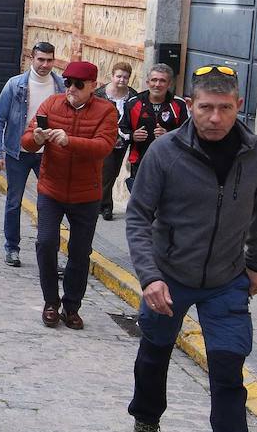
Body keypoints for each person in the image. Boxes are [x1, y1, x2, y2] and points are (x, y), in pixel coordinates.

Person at [125, 66, 257, 432]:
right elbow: (137, 218)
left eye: (224, 108)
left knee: (228, 376)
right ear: (191, 106)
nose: (214, 118)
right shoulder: (166, 152)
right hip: (169, 276)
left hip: (226, 281)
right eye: (206, 107)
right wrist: (150, 276)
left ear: (238, 108)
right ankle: (146, 417)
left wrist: (256, 262)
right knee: (155, 353)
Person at [21, 60, 117, 330]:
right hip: (51, 188)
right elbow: (26, 140)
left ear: (93, 86)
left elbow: (104, 147)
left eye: (78, 84)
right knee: (46, 243)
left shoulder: (106, 111)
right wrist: (37, 139)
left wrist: (69, 140)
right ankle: (51, 302)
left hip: (86, 194)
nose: (71, 88)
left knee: (79, 252)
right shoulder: (51, 104)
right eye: (68, 82)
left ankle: (72, 306)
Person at [0, 42, 64, 267]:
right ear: (31, 59)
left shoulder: (61, 85)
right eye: (40, 59)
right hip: (18, 153)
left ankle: (49, 253)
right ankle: (12, 248)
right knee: (14, 202)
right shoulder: (15, 85)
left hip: (48, 153)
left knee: (51, 204)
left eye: (49, 60)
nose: (45, 64)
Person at [121, 63, 189, 190]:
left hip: (171, 161)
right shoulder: (133, 102)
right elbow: (120, 129)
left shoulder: (179, 104)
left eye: (162, 81)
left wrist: (169, 135)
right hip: (140, 160)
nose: (157, 84)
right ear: (147, 82)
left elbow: (189, 133)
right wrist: (132, 136)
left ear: (169, 84)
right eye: (154, 80)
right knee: (141, 199)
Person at [94, 61, 137, 220]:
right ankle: (105, 206)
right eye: (118, 76)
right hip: (102, 137)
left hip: (121, 140)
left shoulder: (132, 96)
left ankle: (101, 203)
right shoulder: (100, 94)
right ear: (112, 76)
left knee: (112, 172)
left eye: (125, 77)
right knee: (105, 171)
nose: (121, 80)